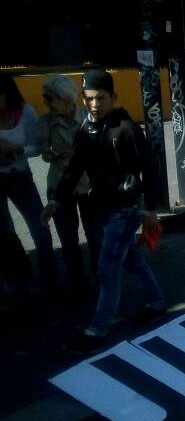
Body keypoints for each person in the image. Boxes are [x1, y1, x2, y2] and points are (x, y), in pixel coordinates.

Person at [40, 69, 166, 353]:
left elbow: (150, 169)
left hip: (126, 208)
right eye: (89, 99)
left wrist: (149, 210)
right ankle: (157, 303)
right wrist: (56, 199)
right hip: (105, 207)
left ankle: (97, 329)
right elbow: (75, 167)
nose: (94, 104)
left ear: (113, 97)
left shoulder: (126, 129)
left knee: (107, 267)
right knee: (131, 260)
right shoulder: (86, 127)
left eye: (100, 98)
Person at [38, 75, 100, 294]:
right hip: (59, 187)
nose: (44, 102)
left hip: (88, 185)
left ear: (65, 99)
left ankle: (101, 278)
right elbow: (45, 154)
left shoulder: (88, 116)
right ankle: (79, 283)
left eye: (49, 98)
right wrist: (56, 152)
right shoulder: (46, 122)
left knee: (95, 235)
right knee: (69, 240)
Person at [0, 72, 57, 293]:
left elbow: (36, 147)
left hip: (20, 176)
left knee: (40, 228)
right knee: (7, 234)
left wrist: (17, 150)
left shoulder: (25, 113)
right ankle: (19, 282)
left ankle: (49, 278)